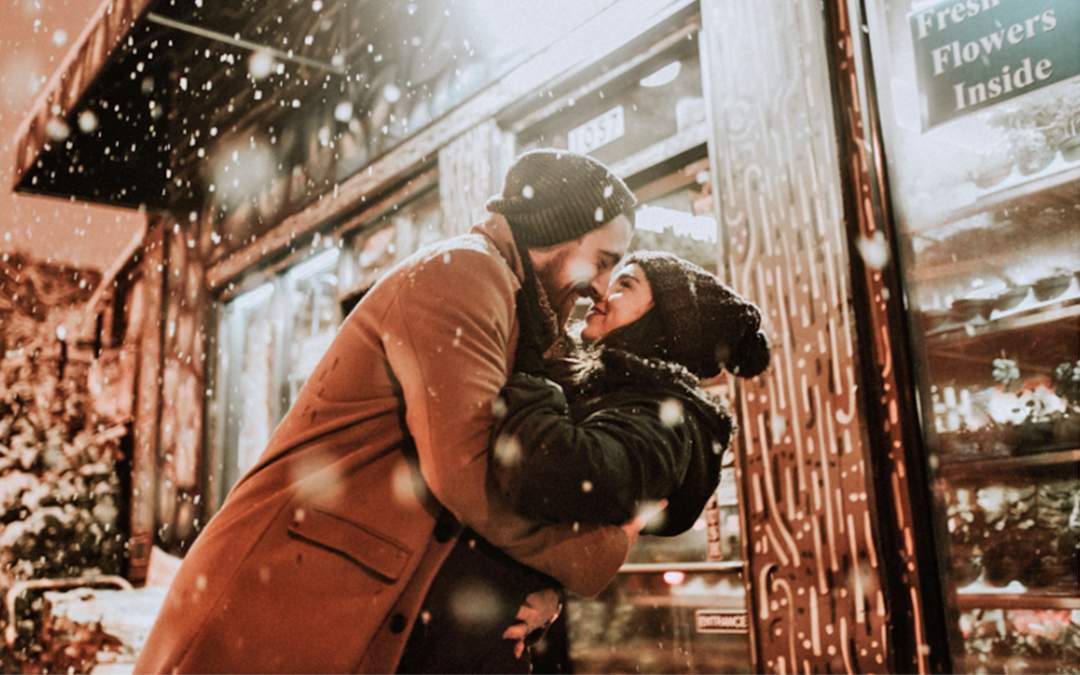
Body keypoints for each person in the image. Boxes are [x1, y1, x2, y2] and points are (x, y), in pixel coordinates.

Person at [134, 149, 641, 674]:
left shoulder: (516, 306)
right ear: (556, 233)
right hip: (282, 600)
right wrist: (591, 552)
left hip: (324, 604)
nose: (602, 287)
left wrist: (540, 585)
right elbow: (467, 473)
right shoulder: (466, 274)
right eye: (603, 262)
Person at [395, 251, 771, 673]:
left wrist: (530, 366)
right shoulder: (616, 398)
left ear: (663, 323)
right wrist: (551, 585)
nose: (602, 294)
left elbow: (552, 472)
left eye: (625, 285)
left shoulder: (663, 419)